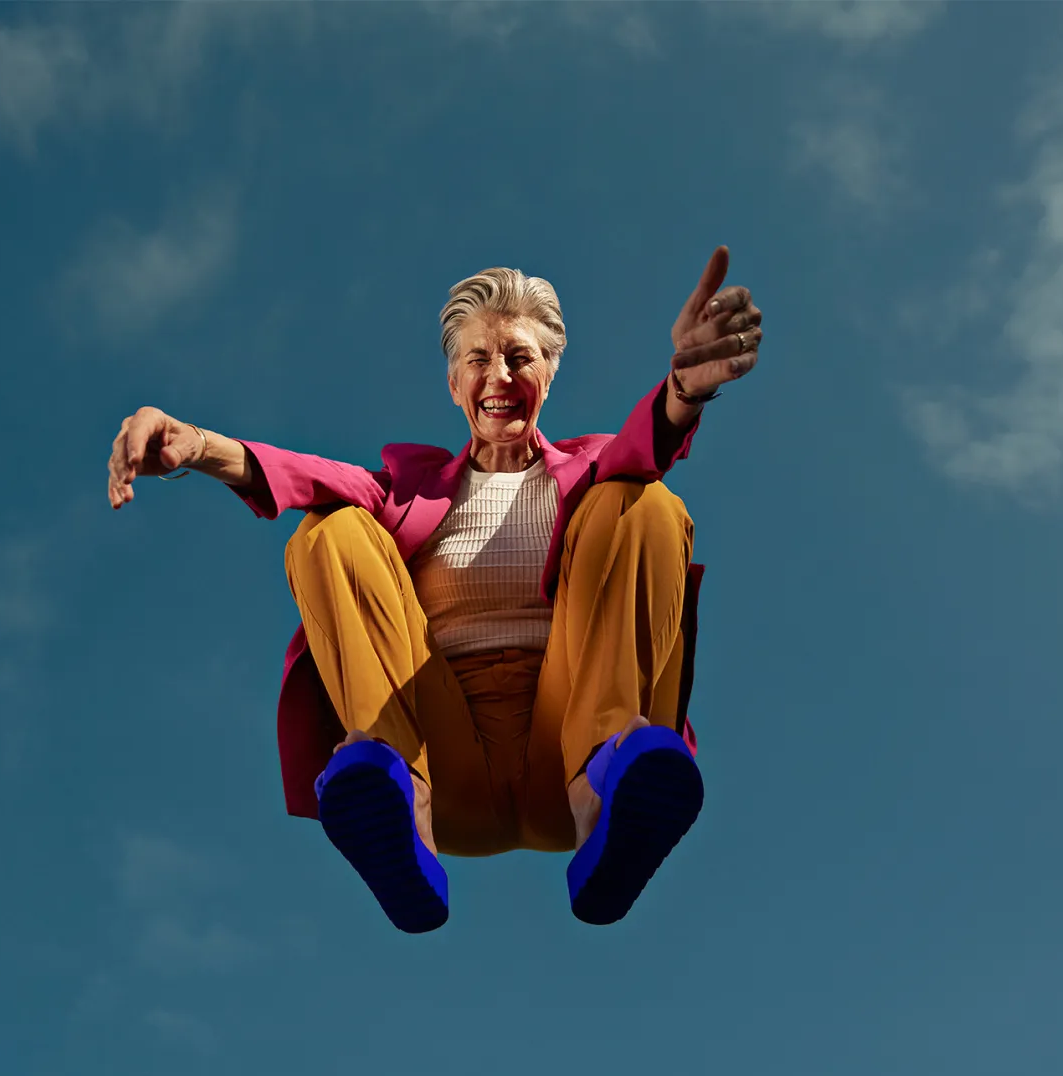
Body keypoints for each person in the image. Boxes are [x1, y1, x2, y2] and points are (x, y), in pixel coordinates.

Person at [106, 245, 763, 933]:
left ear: (550, 370)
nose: (498, 375)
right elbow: (303, 474)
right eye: (478, 358)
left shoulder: (595, 468)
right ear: (454, 382)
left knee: (644, 502)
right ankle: (397, 803)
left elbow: (642, 446)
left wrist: (684, 390)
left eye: (519, 356)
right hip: (445, 762)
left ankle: (606, 801)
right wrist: (197, 444)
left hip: (571, 746)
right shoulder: (407, 490)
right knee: (329, 529)